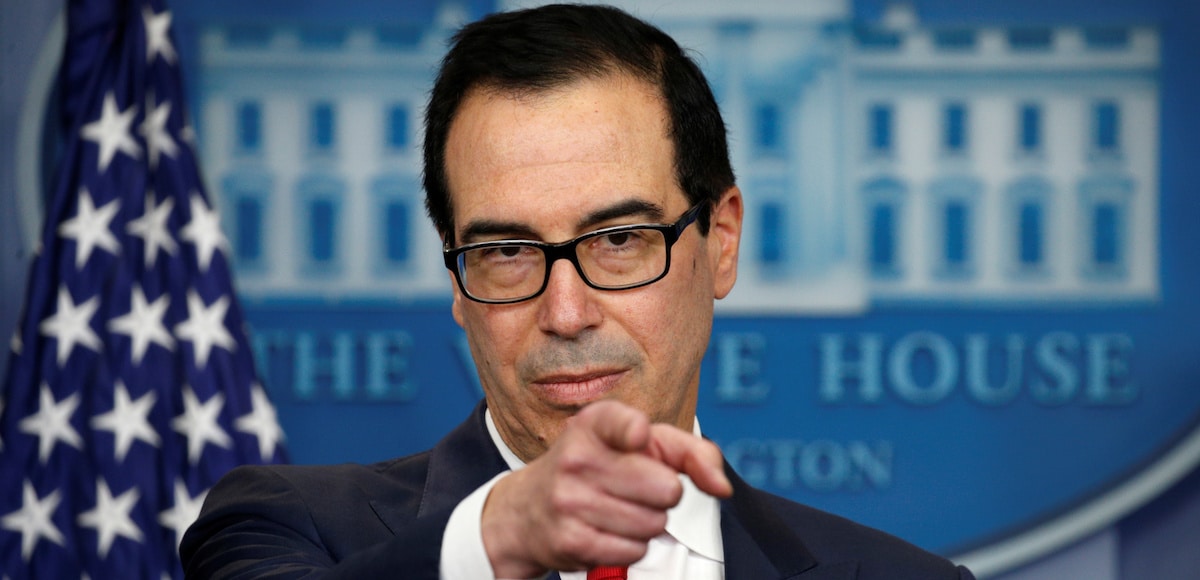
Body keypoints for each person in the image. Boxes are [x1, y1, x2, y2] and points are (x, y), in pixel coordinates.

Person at [181, 4, 975, 579]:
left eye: (621, 241)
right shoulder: (283, 525)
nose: (565, 313)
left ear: (721, 241)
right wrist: (497, 541)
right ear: (455, 280)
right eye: (504, 252)